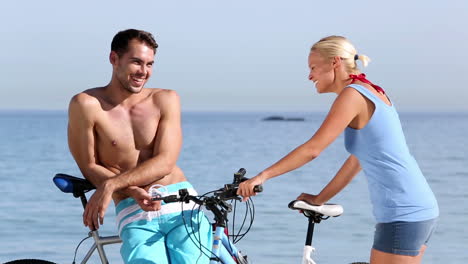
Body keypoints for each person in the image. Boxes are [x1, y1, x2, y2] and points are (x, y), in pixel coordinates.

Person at [238, 36, 439, 264]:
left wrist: (262, 177)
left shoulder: (353, 95)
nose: (310, 75)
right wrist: (320, 198)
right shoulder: (370, 90)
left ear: (335, 62)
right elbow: (357, 160)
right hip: (417, 208)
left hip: (403, 213)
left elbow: (313, 149)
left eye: (313, 67)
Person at [67, 29, 212, 264]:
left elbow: (165, 161)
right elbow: (88, 165)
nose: (144, 72)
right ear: (114, 59)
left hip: (180, 203)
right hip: (132, 209)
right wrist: (131, 190)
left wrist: (113, 184)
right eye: (136, 62)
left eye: (150, 64)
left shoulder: (165, 99)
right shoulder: (86, 104)